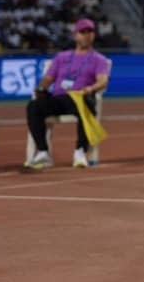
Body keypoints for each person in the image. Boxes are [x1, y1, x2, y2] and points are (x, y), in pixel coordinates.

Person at [24, 18, 111, 170]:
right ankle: (43, 152)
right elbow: (48, 79)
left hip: (79, 97)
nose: (86, 35)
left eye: (90, 32)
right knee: (34, 106)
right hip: (58, 98)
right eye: (82, 32)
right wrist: (40, 89)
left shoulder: (99, 59)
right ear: (75, 35)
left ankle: (80, 151)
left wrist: (90, 89)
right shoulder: (61, 57)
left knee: (86, 105)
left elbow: (102, 81)